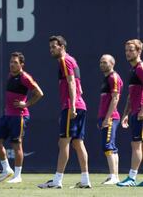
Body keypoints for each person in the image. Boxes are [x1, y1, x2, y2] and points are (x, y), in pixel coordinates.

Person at [38, 35, 91, 189]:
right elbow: (79, 85)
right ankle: (85, 180)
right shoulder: (72, 60)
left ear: (62, 46)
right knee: (78, 143)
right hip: (81, 105)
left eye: (54, 47)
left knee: (64, 142)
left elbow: (72, 83)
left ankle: (57, 181)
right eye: (50, 47)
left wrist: (72, 105)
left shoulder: (64, 60)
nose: (51, 50)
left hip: (71, 106)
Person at [0, 52, 44, 183]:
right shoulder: (10, 75)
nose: (12, 65)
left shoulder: (25, 77)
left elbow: (39, 93)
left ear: (21, 64)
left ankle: (18, 176)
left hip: (19, 116)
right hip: (7, 115)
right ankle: (7, 169)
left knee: (16, 145)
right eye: (11, 62)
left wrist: (26, 104)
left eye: (15, 62)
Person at [117, 39, 143, 187]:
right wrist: (126, 113)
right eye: (126, 50)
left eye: (131, 50)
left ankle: (132, 178)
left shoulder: (140, 68)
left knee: (136, 145)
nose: (128, 53)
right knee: (137, 145)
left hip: (140, 113)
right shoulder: (133, 70)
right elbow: (130, 95)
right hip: (134, 112)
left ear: (139, 51)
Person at [97, 54, 123, 185]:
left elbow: (115, 98)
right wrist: (101, 118)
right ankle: (114, 176)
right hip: (105, 118)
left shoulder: (113, 77)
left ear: (112, 63)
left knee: (108, 146)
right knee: (111, 147)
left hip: (111, 118)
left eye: (105, 62)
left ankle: (114, 176)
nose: (102, 64)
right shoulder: (106, 78)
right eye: (101, 62)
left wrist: (107, 118)